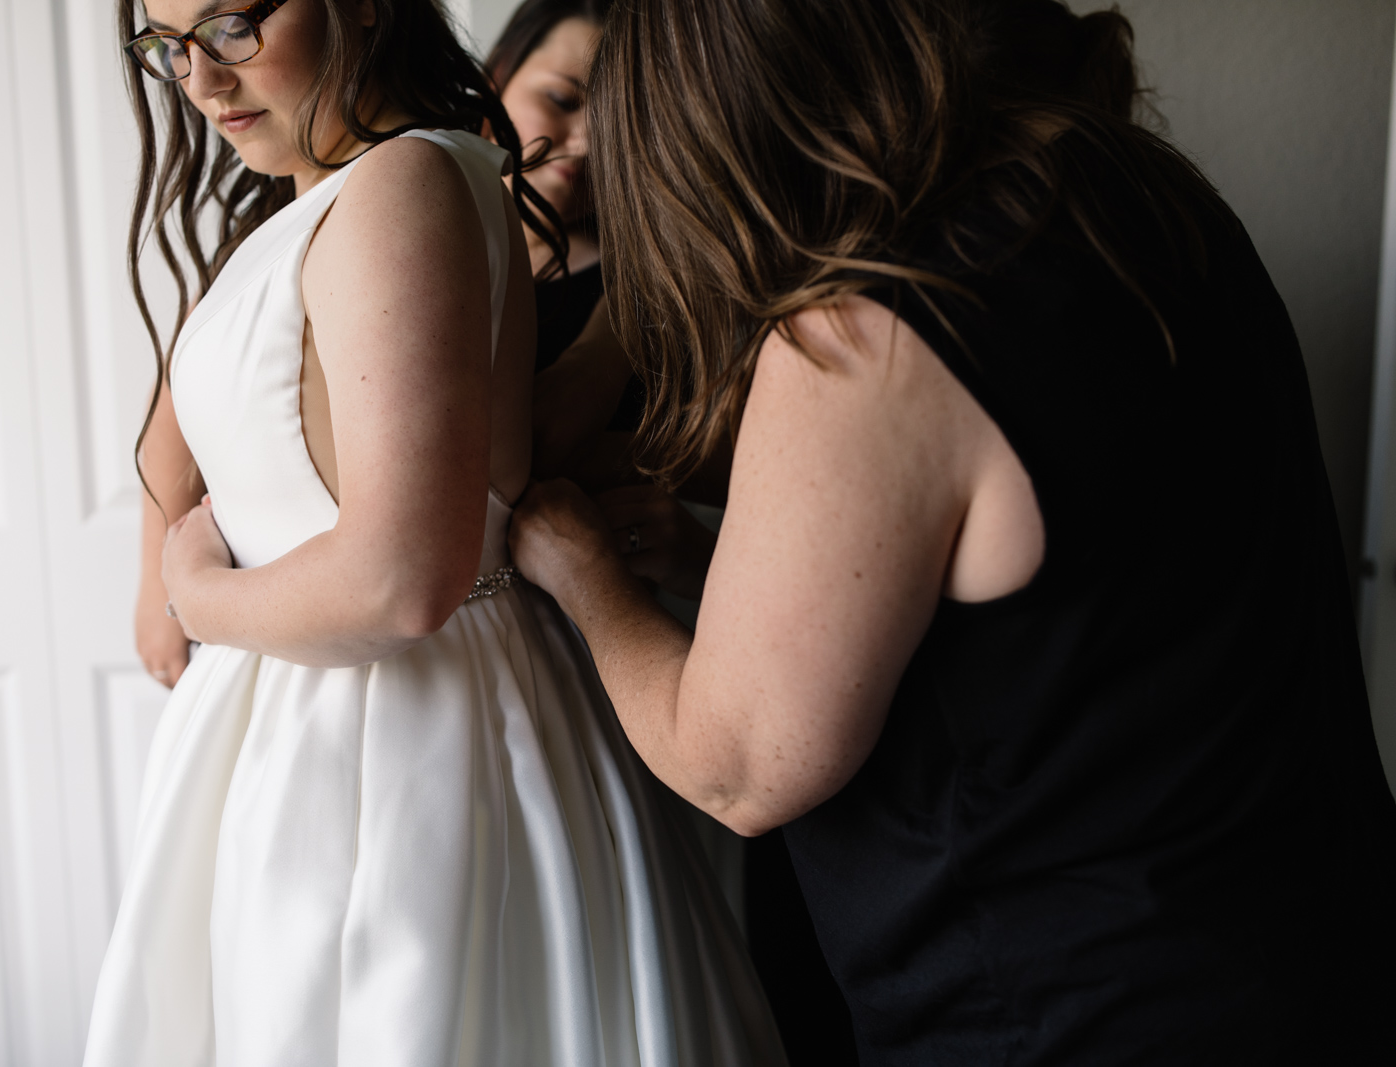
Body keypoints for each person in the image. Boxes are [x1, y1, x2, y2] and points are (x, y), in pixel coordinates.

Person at [510, 0, 1396, 1062]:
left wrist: (583, 574)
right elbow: (1050, 597)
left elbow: (739, 764)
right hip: (1309, 951)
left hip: (1076, 1009)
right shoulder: (1142, 195)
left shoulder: (872, 327)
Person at [86, 0, 786, 1063]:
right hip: (299, 723)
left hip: (389, 738)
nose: (200, 82)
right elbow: (185, 426)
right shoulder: (328, 196)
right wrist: (160, 569)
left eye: (230, 26)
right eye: (167, 46)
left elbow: (402, 581)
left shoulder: (403, 188)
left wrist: (203, 597)